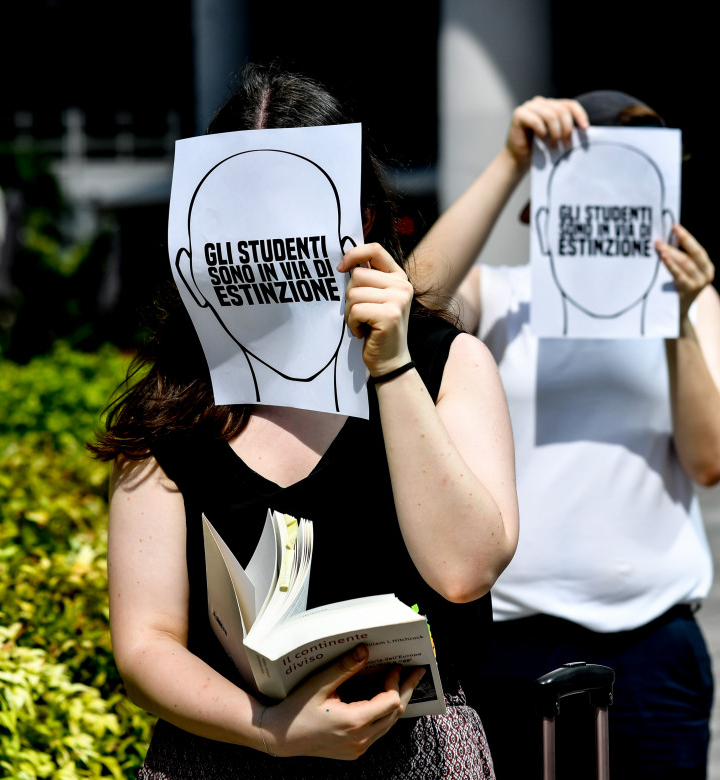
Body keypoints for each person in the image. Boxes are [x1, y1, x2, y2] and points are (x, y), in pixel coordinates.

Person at [91, 63, 519, 779]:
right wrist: (269, 730)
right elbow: (145, 643)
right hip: (222, 755)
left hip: (412, 755)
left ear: (364, 219)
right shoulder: (174, 407)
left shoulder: (447, 366)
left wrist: (391, 367)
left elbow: (464, 571)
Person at [408, 92, 720, 779]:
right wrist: (509, 160)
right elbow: (417, 299)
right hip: (509, 638)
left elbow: (711, 460)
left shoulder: (692, 300)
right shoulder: (500, 295)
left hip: (651, 642)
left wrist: (674, 318)